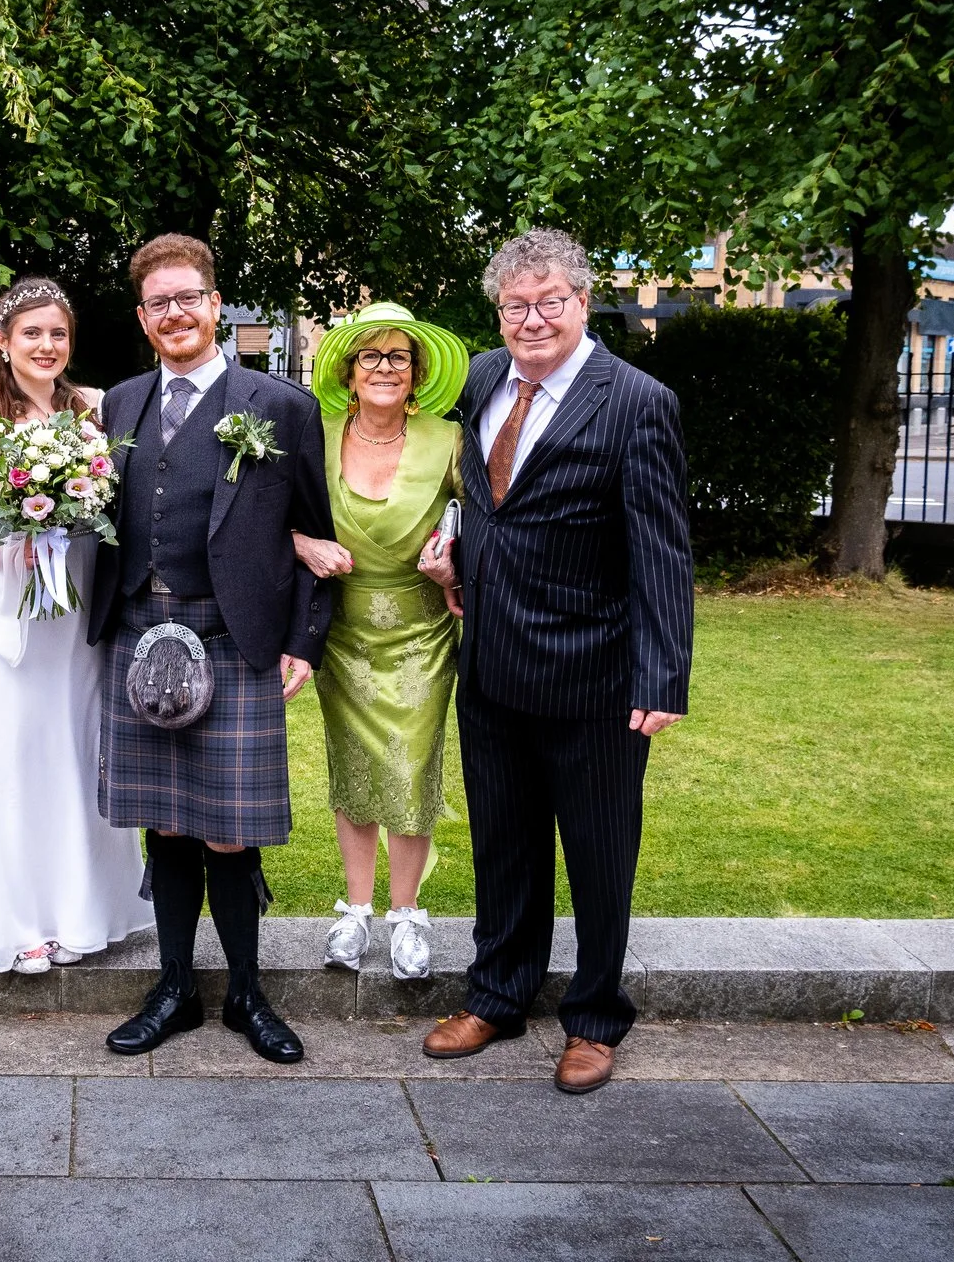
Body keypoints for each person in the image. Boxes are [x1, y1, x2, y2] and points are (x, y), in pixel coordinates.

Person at [417, 226, 693, 1094]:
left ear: (581, 301)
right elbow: (486, 499)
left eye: (548, 302)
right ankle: (498, 992)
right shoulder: (483, 381)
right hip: (492, 662)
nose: (530, 319)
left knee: (600, 852)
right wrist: (453, 548)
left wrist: (661, 675)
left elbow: (662, 551)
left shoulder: (637, 400)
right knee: (505, 843)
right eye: (513, 306)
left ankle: (596, 1017)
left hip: (595, 675)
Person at [89, 233, 335, 1065]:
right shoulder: (116, 406)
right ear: (142, 316)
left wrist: (304, 638)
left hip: (233, 639)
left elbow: (314, 533)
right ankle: (173, 990)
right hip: (139, 633)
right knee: (164, 823)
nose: (176, 313)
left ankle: (247, 995)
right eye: (159, 302)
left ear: (216, 303)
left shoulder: (280, 406)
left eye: (189, 296)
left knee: (230, 830)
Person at [0, 277, 154, 974]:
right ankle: (17, 920)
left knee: (74, 754)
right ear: (3, 342)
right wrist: (18, 544)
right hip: (6, 623)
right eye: (31, 333)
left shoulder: (95, 411)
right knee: (10, 761)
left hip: (79, 620)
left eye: (57, 333)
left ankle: (85, 911)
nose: (46, 345)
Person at [290, 301, 470, 982]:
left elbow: (483, 525)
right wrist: (303, 543)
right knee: (355, 766)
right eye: (372, 356)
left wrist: (454, 566)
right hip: (342, 630)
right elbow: (273, 513)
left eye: (399, 356)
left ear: (417, 372)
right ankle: (356, 909)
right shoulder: (318, 431)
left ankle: (406, 914)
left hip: (422, 628)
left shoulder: (448, 440)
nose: (386, 368)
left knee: (410, 763)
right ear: (349, 369)